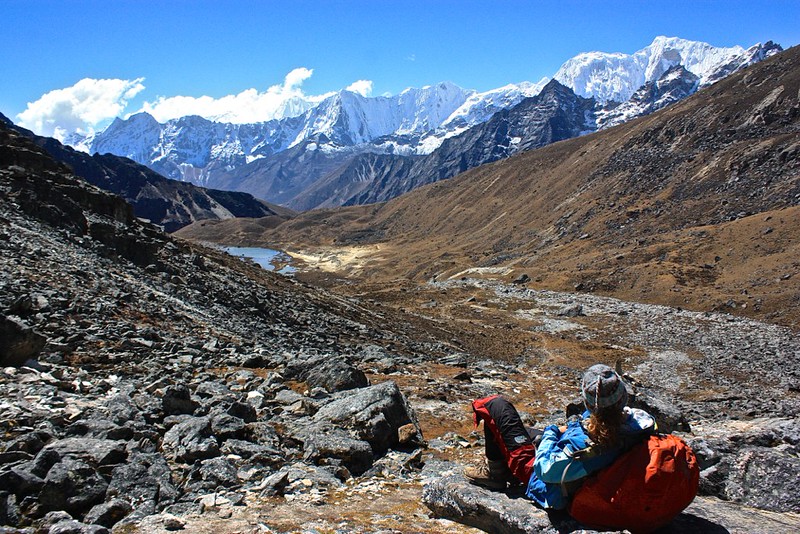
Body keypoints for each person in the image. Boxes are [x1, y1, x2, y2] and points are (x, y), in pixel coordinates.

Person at [464, 363, 655, 510]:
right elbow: (605, 418)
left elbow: (545, 470)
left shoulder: (583, 445)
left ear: (588, 403)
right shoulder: (639, 423)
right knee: (525, 433)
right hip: (589, 471)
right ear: (623, 398)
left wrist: (551, 432)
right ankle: (504, 462)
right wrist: (570, 427)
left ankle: (496, 474)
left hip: (546, 482)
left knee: (495, 405)